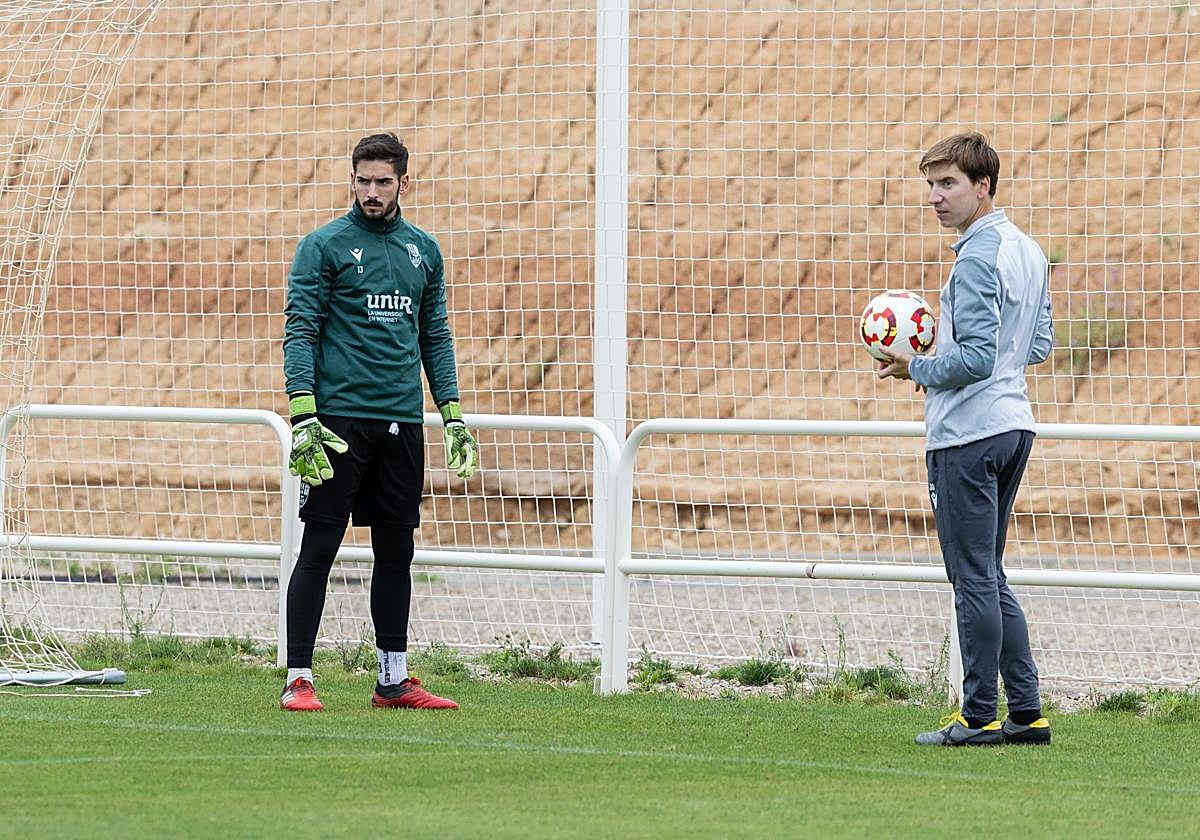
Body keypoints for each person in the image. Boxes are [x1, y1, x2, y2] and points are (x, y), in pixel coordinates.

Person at [279, 132, 479, 712]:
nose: (371, 192)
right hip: (338, 421)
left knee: (397, 552)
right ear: (351, 181)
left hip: (401, 421)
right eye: (362, 181)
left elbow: (434, 336)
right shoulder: (322, 247)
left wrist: (453, 414)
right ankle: (299, 679)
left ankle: (393, 678)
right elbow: (301, 332)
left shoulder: (425, 251)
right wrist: (302, 414)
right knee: (318, 546)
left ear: (404, 184)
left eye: (382, 182)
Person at [876, 132, 1054, 746]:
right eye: (931, 184)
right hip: (1013, 425)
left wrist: (916, 367)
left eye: (948, 183)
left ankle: (978, 717)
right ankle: (1027, 714)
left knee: (973, 577)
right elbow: (1036, 344)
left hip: (969, 434)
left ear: (984, 186)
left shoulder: (976, 257)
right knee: (990, 572)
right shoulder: (1027, 250)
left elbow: (976, 358)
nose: (935, 196)